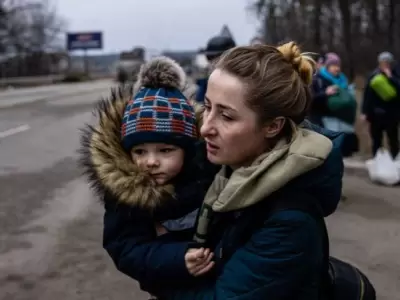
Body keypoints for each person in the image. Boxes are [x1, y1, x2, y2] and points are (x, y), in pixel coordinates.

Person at [104, 42, 344, 299]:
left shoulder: (290, 222)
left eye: (226, 116)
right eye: (207, 107)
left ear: (273, 127)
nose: (205, 127)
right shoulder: (224, 167)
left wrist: (157, 277)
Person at [79, 57, 219, 294]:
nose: (151, 162)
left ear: (188, 149)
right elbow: (126, 248)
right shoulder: (127, 194)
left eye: (165, 150)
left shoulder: (210, 175)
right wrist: (177, 259)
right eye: (139, 151)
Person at [310, 52, 358, 157]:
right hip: (323, 119)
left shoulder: (342, 80)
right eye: (333, 65)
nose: (336, 68)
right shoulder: (317, 79)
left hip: (341, 120)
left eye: (338, 65)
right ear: (327, 66)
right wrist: (325, 93)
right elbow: (311, 99)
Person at [361, 51, 400, 159]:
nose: (385, 65)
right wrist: (364, 112)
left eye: (388, 63)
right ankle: (377, 160)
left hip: (392, 114)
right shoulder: (373, 75)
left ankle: (395, 161)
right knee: (376, 140)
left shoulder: (396, 74)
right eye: (383, 63)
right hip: (376, 114)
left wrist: (390, 77)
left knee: (393, 140)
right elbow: (367, 95)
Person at [195, 35, 236, 103]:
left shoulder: (242, 86)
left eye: (218, 58)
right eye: (210, 58)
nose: (213, 63)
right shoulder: (204, 85)